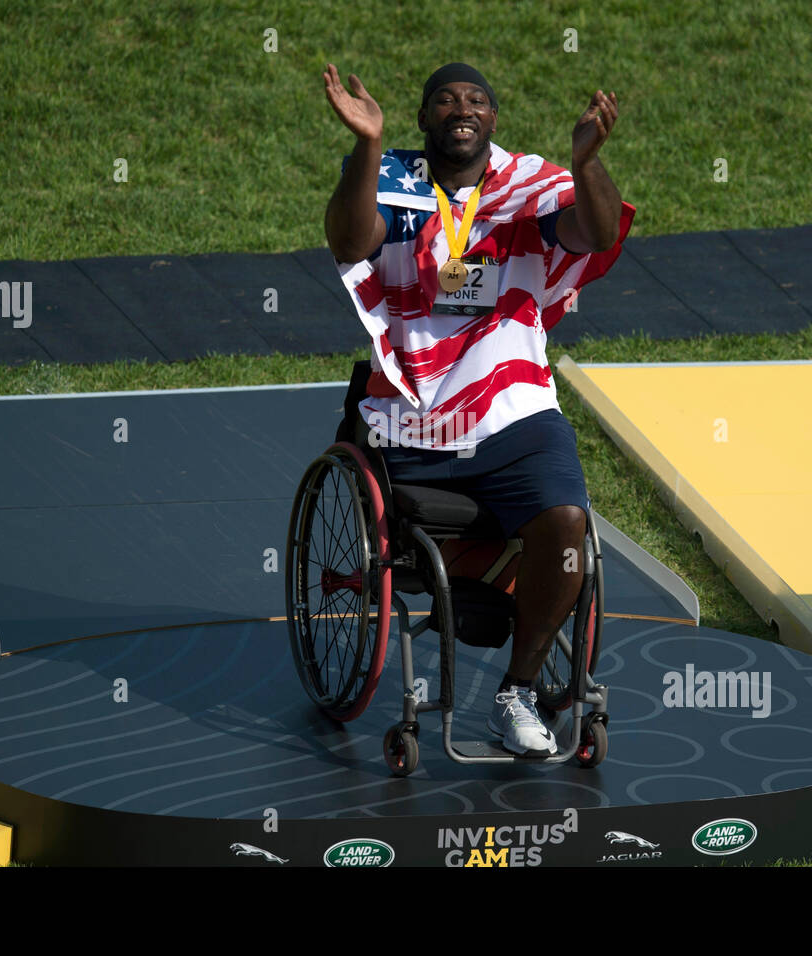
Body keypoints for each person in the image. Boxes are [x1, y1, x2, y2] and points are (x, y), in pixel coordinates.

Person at [323, 61, 634, 755]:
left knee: (566, 523)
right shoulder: (394, 180)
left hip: (514, 416)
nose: (461, 108)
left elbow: (600, 232)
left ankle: (516, 692)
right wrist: (367, 146)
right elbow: (349, 241)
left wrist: (587, 163)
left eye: (476, 100)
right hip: (412, 422)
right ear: (425, 119)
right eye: (444, 99)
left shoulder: (532, 185)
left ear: (492, 119)